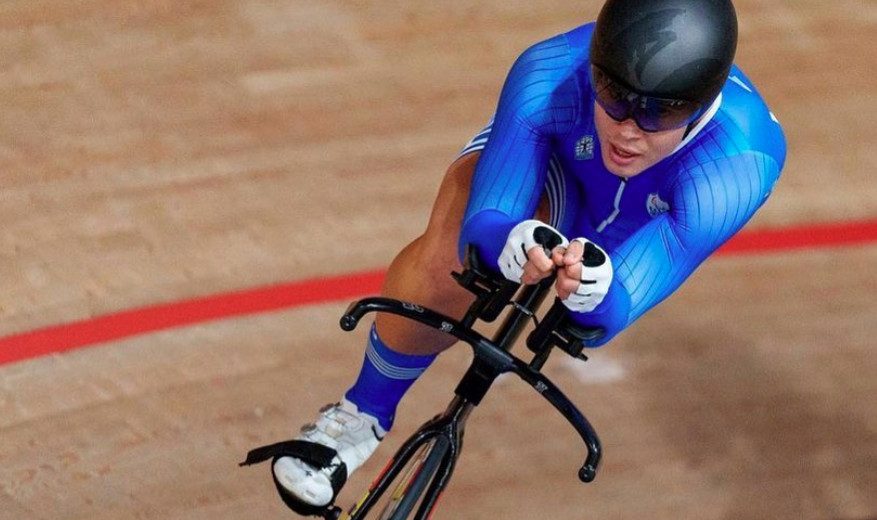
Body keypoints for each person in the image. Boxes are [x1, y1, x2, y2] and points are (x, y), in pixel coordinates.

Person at [269, 0, 786, 513]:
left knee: (580, 311)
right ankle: (359, 417)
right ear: (594, 68)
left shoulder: (737, 163)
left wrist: (597, 293)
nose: (629, 128)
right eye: (614, 95)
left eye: (660, 112)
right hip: (554, 166)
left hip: (638, 231)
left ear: (702, 103)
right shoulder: (551, 72)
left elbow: (623, 299)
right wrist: (508, 238)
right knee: (452, 257)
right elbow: (488, 219)